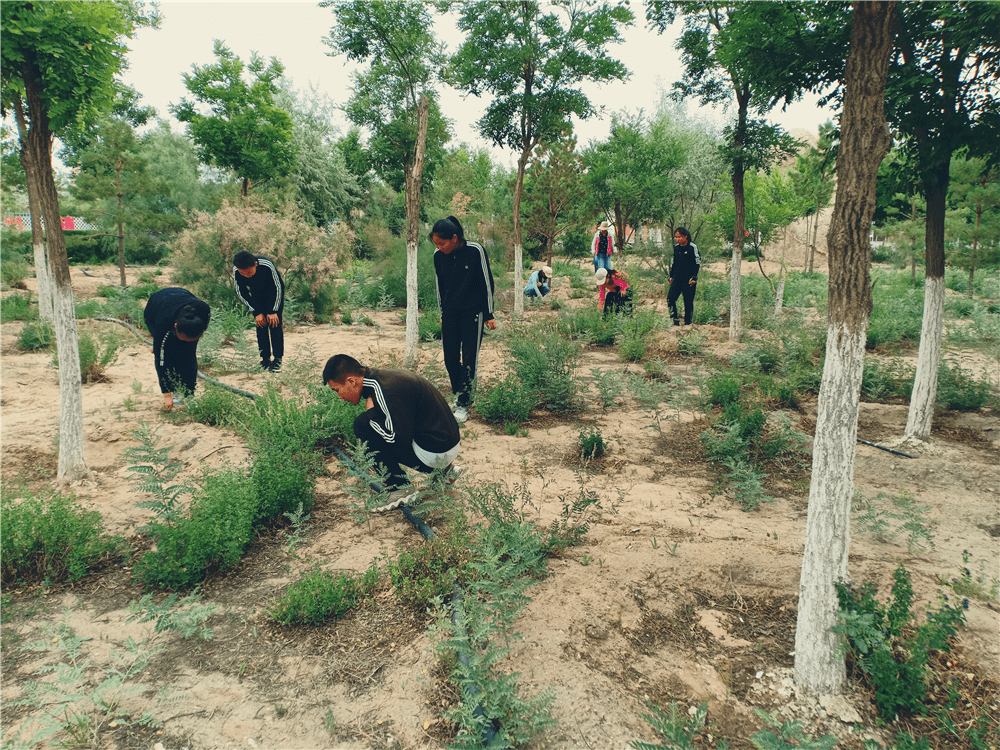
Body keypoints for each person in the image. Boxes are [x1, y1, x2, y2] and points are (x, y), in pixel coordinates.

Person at [324, 354, 462, 511]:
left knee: (362, 425)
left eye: (337, 390)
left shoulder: (383, 389)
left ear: (350, 381)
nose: (339, 397)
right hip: (448, 444)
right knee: (375, 422)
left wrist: (372, 415)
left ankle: (399, 489)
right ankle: (445, 471)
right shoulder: (383, 378)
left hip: (436, 451)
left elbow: (397, 439)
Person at [430, 215, 496, 424]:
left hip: (472, 314)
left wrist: (489, 313)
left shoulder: (475, 250)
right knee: (450, 359)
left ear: (455, 238)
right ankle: (461, 394)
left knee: (469, 360)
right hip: (450, 314)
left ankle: (463, 403)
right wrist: (442, 312)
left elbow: (487, 283)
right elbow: (440, 287)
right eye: (436, 244)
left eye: (442, 243)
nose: (439, 247)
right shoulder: (438, 256)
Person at [144, 287, 210, 411]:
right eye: (185, 338)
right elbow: (160, 362)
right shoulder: (163, 325)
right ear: (175, 327)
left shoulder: (203, 311)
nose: (188, 341)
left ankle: (189, 394)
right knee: (167, 354)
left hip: (182, 298)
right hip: (155, 308)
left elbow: (190, 355)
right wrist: (167, 395)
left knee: (188, 353)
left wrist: (190, 390)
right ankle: (174, 392)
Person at [233, 250, 285, 372]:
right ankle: (265, 359)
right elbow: (242, 292)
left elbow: (278, 287)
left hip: (273, 295)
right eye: (243, 273)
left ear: (255, 264)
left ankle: (277, 359)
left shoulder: (266, 265)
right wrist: (256, 312)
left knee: (274, 324)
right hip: (256, 297)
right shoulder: (237, 271)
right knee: (261, 325)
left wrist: (273, 310)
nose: (246, 275)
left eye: (249, 272)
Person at [667, 227, 701, 326]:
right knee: (670, 299)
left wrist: (694, 277)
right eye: (676, 237)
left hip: (689, 280)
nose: (678, 239)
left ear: (685, 236)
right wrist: (671, 276)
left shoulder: (692, 247)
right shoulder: (676, 248)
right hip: (677, 279)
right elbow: (674, 263)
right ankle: (675, 320)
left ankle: (688, 323)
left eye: (680, 237)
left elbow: (697, 263)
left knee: (688, 302)